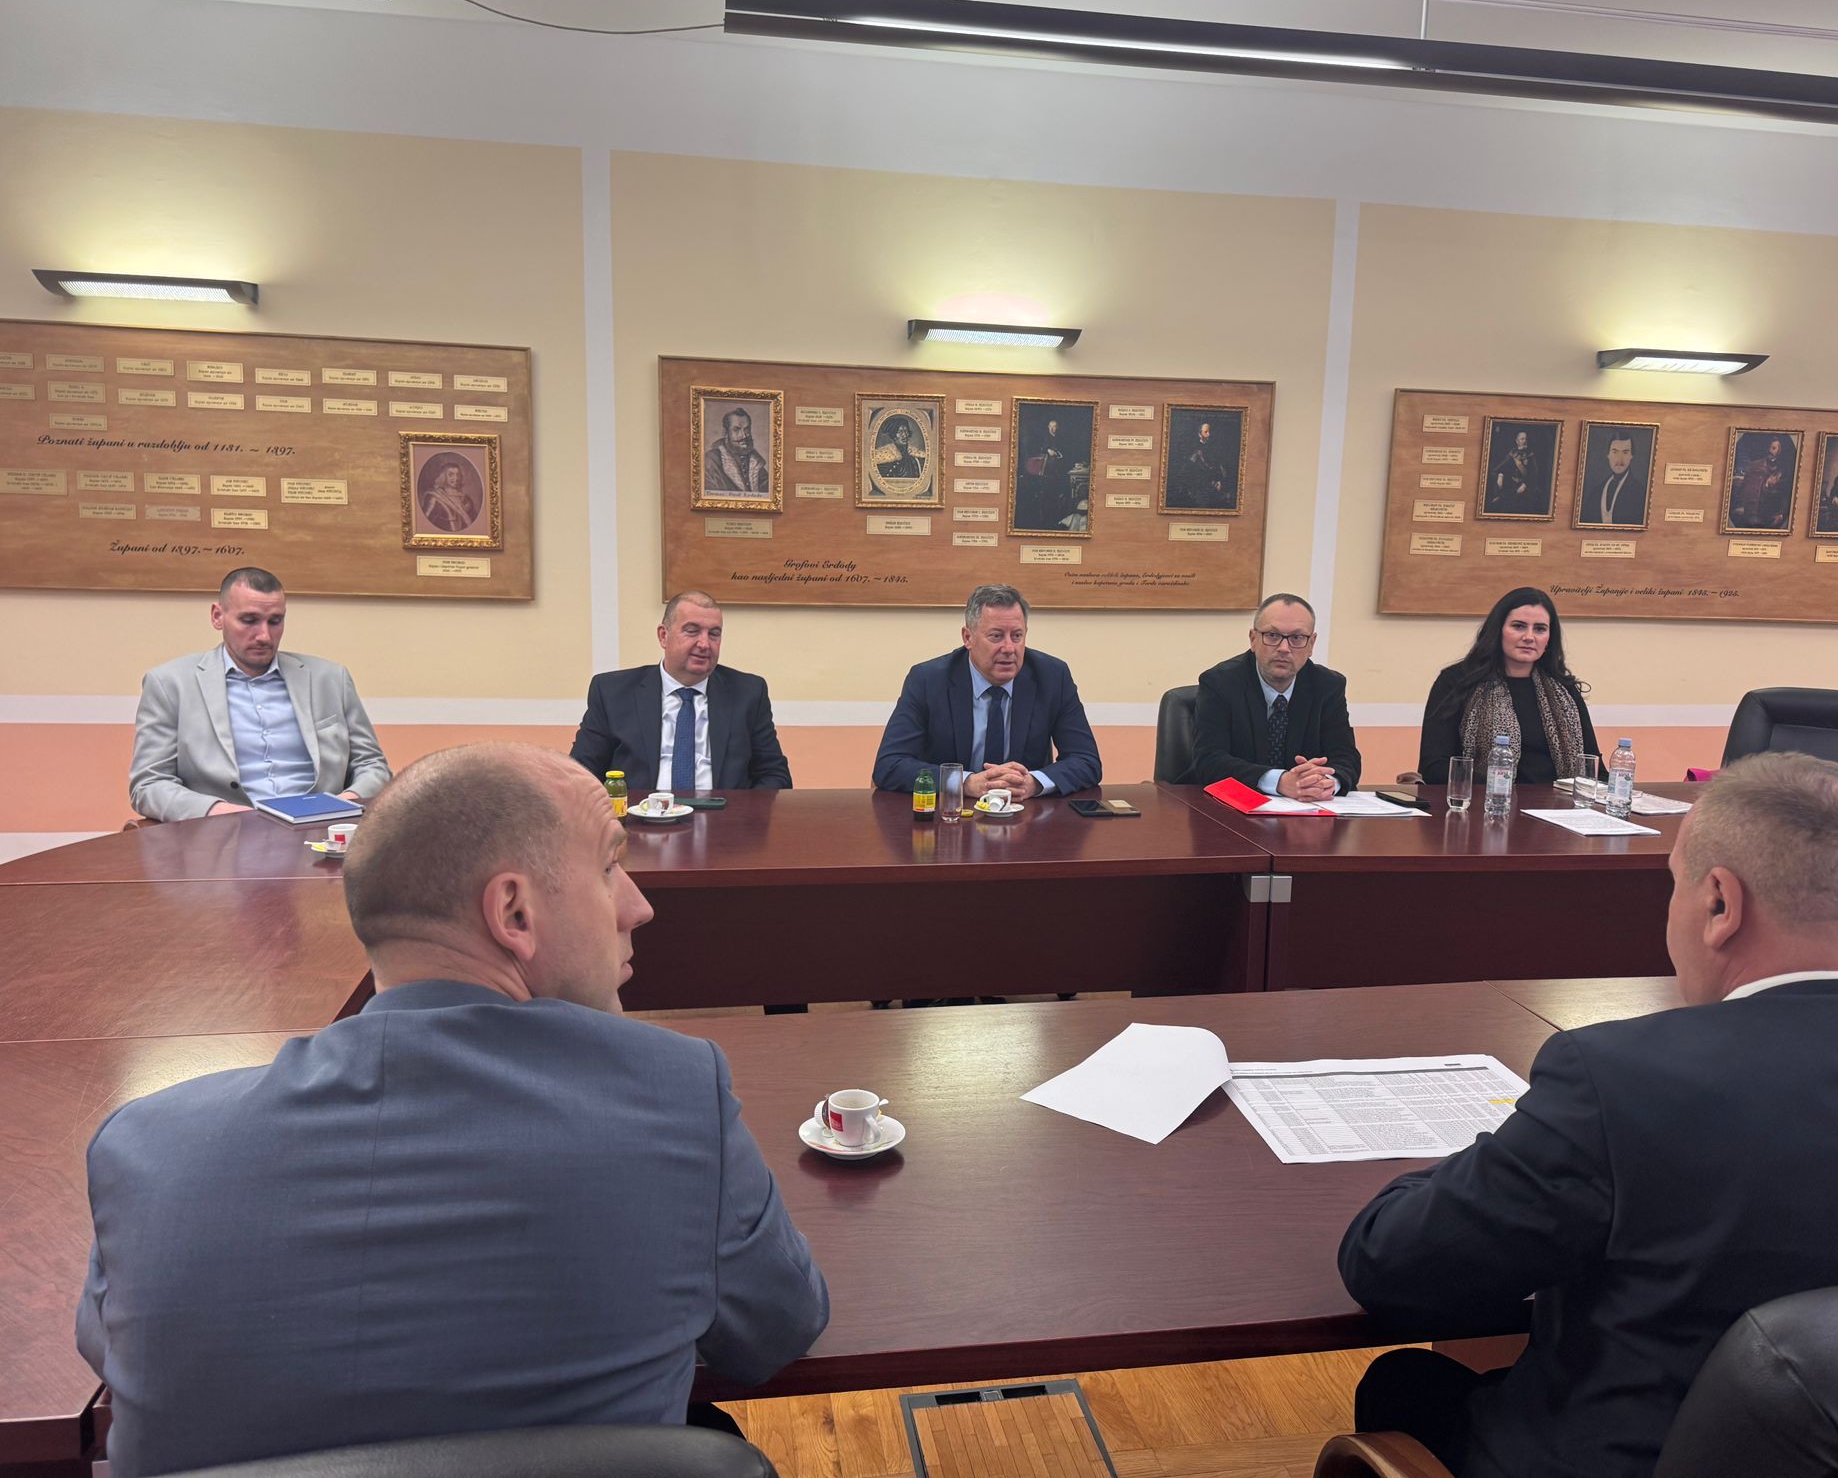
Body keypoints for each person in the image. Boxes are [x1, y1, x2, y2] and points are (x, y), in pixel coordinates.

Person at [78, 743, 830, 1478]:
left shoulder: (148, 1148)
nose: (639, 905)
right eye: (609, 867)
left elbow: (111, 1344)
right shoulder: (674, 1094)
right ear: (514, 912)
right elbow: (776, 1330)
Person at [1338, 752, 1838, 1478]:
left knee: (1405, 1384)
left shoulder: (1619, 1080)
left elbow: (1389, 1265)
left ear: (1720, 904)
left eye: (1675, 885)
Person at [127, 566, 392, 821]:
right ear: (217, 616)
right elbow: (149, 784)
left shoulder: (330, 678)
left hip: (323, 828)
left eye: (275, 621)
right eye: (249, 620)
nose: (264, 635)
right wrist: (221, 813)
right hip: (224, 833)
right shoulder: (170, 684)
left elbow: (373, 766)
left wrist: (344, 802)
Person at [872, 583, 1101, 800]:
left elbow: (1086, 761)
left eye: (1017, 636)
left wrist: (1033, 782)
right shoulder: (928, 680)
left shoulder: (1052, 677)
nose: (1009, 648)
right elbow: (889, 765)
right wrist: (964, 783)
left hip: (1025, 814)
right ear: (968, 638)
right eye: (996, 636)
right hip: (950, 816)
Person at [571, 590, 791, 792]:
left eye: (714, 634)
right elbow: (580, 774)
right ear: (663, 636)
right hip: (638, 816)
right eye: (692, 631)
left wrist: (744, 815)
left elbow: (775, 775)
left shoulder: (747, 693)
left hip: (724, 817)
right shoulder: (613, 692)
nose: (704, 644)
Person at [1416, 587, 1599, 785]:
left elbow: (1592, 767)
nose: (1529, 637)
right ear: (1498, 630)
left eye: (1540, 629)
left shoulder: (1564, 689)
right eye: (1519, 626)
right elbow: (1434, 766)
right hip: (1483, 799)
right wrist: (1498, 788)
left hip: (1558, 802)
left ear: (1549, 638)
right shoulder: (1456, 681)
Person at [1186, 593, 1360, 798]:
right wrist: (1279, 781)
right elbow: (1209, 761)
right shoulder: (1220, 683)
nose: (1284, 648)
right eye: (1272, 635)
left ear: (1311, 644)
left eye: (1297, 638)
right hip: (1232, 809)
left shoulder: (1328, 686)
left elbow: (1346, 757)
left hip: (1307, 810)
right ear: (1253, 639)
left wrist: (1326, 782)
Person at [1167, 420, 1236, 510]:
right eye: (1206, 432)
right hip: (1200, 485)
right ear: (1199, 434)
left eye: (1209, 431)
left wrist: (1219, 480)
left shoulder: (1215, 447)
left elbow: (1219, 465)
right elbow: (1191, 468)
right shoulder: (1194, 448)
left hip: (1215, 482)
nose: (1209, 434)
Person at [1581, 432, 1645, 526]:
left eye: (1625, 452)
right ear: (1608, 455)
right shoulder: (1597, 491)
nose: (1619, 459)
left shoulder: (1640, 492)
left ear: (1631, 456)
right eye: (1615, 452)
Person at [1729, 434, 1792, 530]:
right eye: (1769, 447)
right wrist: (1743, 507)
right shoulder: (1755, 466)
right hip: (1751, 514)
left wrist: (1781, 514)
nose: (1770, 451)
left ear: (1779, 451)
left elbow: (1785, 496)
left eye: (1774, 448)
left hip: (1770, 516)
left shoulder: (1783, 471)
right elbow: (1745, 489)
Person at [704, 406, 770, 497]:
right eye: (736, 430)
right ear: (726, 433)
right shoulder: (711, 461)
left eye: (747, 430)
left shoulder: (756, 463)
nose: (744, 436)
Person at [1484, 429, 1547, 515]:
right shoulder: (1512, 453)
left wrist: (1525, 484)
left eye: (1526, 439)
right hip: (1511, 484)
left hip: (1526, 485)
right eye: (1522, 439)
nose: (1524, 441)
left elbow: (1534, 472)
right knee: (1501, 503)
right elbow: (1501, 466)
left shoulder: (1530, 454)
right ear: (1517, 441)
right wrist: (1500, 475)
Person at [418, 457, 479, 532]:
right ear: (443, 477)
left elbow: (476, 525)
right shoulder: (434, 498)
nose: (456, 478)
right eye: (450, 475)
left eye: (458, 475)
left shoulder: (466, 499)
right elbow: (423, 525)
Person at [873, 415, 925, 483]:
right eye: (900, 432)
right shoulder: (884, 457)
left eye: (906, 431)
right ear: (893, 435)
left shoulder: (914, 456)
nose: (905, 435)